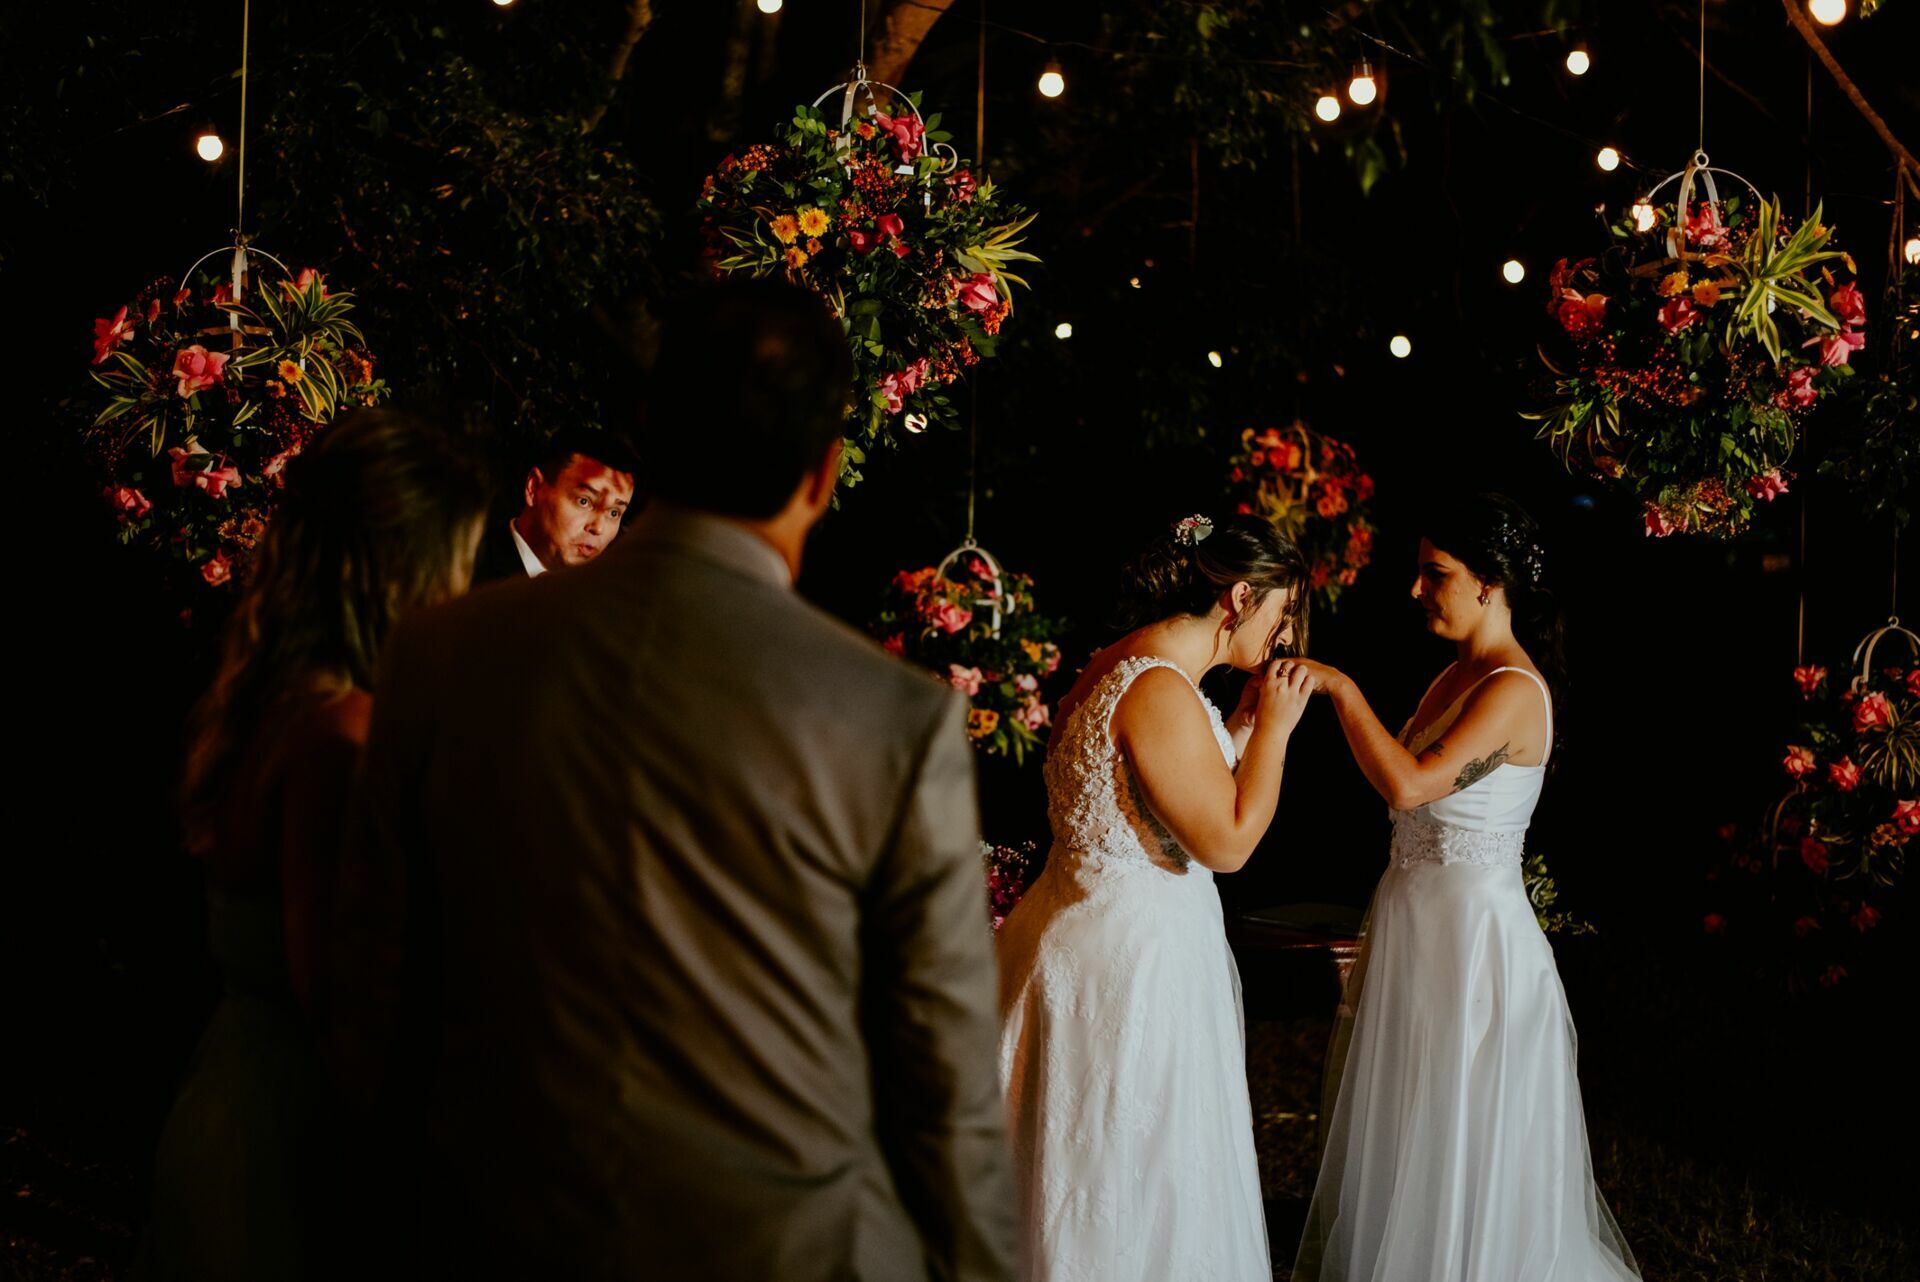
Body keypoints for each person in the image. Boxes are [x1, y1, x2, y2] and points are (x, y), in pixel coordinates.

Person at [343, 278, 1015, 1280]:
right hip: (782, 1244)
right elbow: (946, 1085)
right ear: (824, 473)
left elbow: (379, 992)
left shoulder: (441, 655)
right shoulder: (893, 717)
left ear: (652, 434)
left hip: (494, 1231)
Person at [139, 409, 490, 1282]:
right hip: (296, 1136)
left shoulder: (275, 697)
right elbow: (341, 993)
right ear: (404, 567)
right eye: (457, 562)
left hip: (230, 1092)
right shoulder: (340, 734)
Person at [1290, 494, 1639, 1281]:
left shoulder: (1512, 689)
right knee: (1407, 1135)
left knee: (1460, 1141)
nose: (1416, 591)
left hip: (1476, 956)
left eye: (1433, 575)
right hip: (1418, 934)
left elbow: (1410, 786)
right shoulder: (1454, 676)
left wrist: (1342, 690)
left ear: (1490, 582)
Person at [995, 512, 1316, 1282]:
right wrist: (1273, 730)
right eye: (1280, 614)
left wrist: (1233, 729)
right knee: (1129, 1182)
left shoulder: (1122, 662)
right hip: (1131, 975)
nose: (1283, 637)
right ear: (1241, 597)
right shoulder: (1161, 691)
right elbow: (1228, 842)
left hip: (1077, 938)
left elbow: (1153, 799)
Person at [472, 426, 636, 581]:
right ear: (534, 487)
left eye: (614, 513)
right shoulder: (469, 567)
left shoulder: (605, 596)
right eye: (584, 501)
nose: (598, 528)